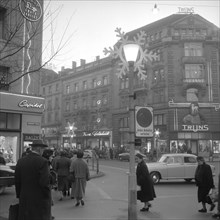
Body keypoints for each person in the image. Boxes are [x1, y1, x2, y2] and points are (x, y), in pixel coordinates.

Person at [15, 140, 52, 220]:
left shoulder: (21, 161)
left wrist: (19, 195)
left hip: (24, 197)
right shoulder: (43, 162)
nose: (43, 152)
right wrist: (48, 197)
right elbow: (44, 183)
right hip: (39, 199)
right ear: (39, 149)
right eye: (43, 149)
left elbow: (17, 180)